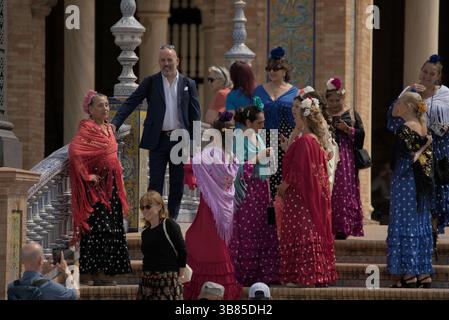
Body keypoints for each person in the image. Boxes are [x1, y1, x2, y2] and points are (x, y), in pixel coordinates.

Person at [111, 45, 201, 221]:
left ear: (177, 61)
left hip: (180, 140)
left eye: (169, 60)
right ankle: (154, 221)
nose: (166, 64)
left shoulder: (188, 84)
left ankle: (171, 221)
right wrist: (115, 123)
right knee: (155, 184)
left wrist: (194, 145)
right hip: (158, 139)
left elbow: (195, 116)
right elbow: (132, 102)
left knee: (176, 185)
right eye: (162, 60)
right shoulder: (151, 82)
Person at [68, 90, 132, 286]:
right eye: (100, 105)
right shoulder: (86, 129)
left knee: (113, 228)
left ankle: (107, 273)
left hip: (112, 187)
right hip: (96, 190)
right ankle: (91, 273)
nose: (105, 108)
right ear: (90, 109)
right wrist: (88, 175)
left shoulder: (109, 129)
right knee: (98, 228)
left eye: (106, 105)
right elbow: (75, 152)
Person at [277, 97, 337, 287]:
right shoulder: (315, 141)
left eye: (296, 115)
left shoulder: (304, 141)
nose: (294, 119)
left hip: (300, 196)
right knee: (310, 230)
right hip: (311, 195)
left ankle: (302, 276)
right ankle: (314, 274)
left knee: (301, 231)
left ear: (304, 118)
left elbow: (298, 170)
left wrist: (283, 187)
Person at [183, 114, 242, 300]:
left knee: (207, 243)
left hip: (210, 207)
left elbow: (191, 165)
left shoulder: (209, 153)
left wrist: (194, 179)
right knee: (218, 246)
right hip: (223, 209)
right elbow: (229, 178)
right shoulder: (231, 155)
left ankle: (202, 288)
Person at [228, 101, 280, 286]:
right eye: (259, 123)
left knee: (262, 229)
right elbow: (236, 168)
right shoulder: (237, 137)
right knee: (248, 231)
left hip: (261, 190)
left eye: (263, 123)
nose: (262, 126)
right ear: (248, 123)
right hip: (248, 193)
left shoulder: (257, 136)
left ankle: (263, 274)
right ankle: (245, 274)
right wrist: (259, 157)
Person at [386, 92, 434, 288]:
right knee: (419, 224)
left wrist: (422, 149)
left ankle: (408, 273)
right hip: (421, 186)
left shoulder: (405, 129)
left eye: (398, 103)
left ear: (406, 107)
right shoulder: (423, 127)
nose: (394, 106)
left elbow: (409, 158)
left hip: (406, 183)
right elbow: (427, 161)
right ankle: (423, 273)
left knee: (405, 222)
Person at [402, 55, 449, 236]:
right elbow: (396, 113)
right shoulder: (411, 90)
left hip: (441, 146)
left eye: (432, 73)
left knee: (438, 188)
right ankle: (424, 233)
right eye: (425, 71)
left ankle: (433, 233)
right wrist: (410, 92)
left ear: (438, 76)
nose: (427, 76)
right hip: (419, 145)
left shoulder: (446, 93)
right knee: (422, 187)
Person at [254, 47, 298, 199]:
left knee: (283, 181)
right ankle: (265, 219)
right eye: (269, 68)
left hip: (285, 141)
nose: (272, 72)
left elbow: (299, 119)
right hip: (263, 140)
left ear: (285, 70)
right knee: (263, 181)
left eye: (276, 68)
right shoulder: (259, 91)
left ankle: (281, 219)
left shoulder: (295, 92)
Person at [325, 78, 365, 240]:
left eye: (338, 100)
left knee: (343, 190)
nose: (335, 103)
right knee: (329, 189)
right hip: (327, 156)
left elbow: (361, 136)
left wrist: (348, 129)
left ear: (343, 98)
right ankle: (327, 225)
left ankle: (343, 227)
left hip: (345, 160)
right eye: (331, 100)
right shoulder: (322, 115)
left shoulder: (351, 114)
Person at [137, 191, 187, 300]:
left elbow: (182, 250)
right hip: (148, 278)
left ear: (159, 206)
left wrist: (180, 275)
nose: (145, 210)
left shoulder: (169, 224)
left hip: (167, 278)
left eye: (148, 207)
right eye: (142, 208)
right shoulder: (145, 232)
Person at [7, 243, 79, 300]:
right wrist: (66, 272)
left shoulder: (11, 286)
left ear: (22, 261)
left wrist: (42, 272)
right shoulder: (50, 287)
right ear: (40, 260)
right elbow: (76, 294)